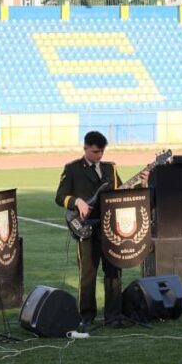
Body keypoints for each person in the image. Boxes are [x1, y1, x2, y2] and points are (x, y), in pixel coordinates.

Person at [56, 130, 129, 329]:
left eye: (102, 152)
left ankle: (113, 315)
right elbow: (59, 197)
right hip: (85, 228)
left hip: (109, 228)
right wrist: (76, 201)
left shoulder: (110, 169)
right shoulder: (72, 169)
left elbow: (121, 193)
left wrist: (143, 180)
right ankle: (86, 316)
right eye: (95, 152)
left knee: (114, 270)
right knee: (87, 273)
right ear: (85, 148)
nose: (99, 156)